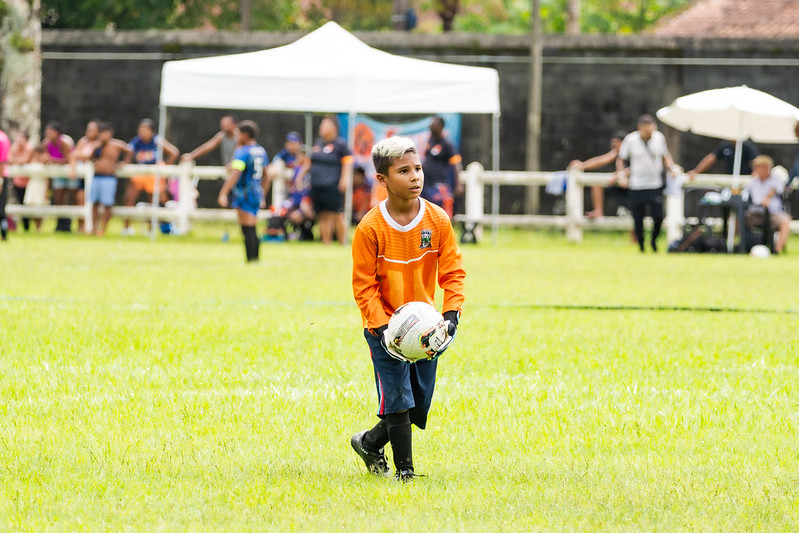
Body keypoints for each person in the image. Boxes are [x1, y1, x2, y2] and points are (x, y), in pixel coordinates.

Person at [350, 136, 465, 482]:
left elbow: (453, 272)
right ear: (382, 180)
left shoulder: (438, 220)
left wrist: (451, 313)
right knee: (398, 398)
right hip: (383, 329)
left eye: (417, 169)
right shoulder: (370, 228)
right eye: (404, 171)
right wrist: (383, 328)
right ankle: (405, 472)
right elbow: (363, 285)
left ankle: (368, 442)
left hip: (427, 328)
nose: (415, 176)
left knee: (417, 401)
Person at [617, 114, 678, 252]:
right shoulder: (631, 140)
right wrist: (621, 176)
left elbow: (665, 156)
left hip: (654, 185)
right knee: (638, 218)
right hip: (637, 185)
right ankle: (641, 245)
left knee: (659, 216)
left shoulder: (659, 138)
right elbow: (621, 159)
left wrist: (671, 168)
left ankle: (654, 240)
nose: (650, 133)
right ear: (640, 128)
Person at [217, 120, 267, 262]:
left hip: (244, 192)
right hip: (256, 191)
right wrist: (263, 192)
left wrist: (223, 193)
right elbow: (267, 174)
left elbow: (236, 172)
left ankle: (251, 259)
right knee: (252, 227)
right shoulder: (260, 151)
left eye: (239, 133)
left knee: (248, 229)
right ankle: (254, 259)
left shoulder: (242, 152)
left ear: (245, 134)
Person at [121, 118, 180, 235]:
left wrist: (164, 168)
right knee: (130, 198)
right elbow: (129, 153)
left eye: (145, 130)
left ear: (151, 131)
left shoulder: (157, 140)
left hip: (153, 174)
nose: (142, 132)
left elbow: (174, 152)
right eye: (140, 130)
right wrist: (126, 163)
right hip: (140, 173)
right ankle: (126, 228)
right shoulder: (136, 141)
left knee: (153, 202)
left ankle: (150, 229)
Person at [301, 115, 353, 245]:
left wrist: (344, 180)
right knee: (322, 215)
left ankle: (343, 242)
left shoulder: (340, 145)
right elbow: (309, 163)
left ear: (334, 128)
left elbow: (347, 164)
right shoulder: (318, 143)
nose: (321, 128)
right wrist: (301, 176)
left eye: (325, 125)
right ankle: (326, 243)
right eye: (321, 125)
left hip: (333, 185)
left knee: (336, 214)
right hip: (317, 185)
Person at [83, 122, 131, 236]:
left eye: (105, 133)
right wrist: (96, 149)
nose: (103, 136)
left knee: (107, 204)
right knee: (94, 203)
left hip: (108, 178)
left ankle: (103, 228)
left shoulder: (117, 145)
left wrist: (124, 162)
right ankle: (93, 228)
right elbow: (89, 158)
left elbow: (129, 151)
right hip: (96, 177)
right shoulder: (96, 145)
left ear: (110, 134)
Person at [266, 131, 314, 241]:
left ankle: (305, 235)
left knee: (299, 215)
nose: (300, 157)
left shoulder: (311, 170)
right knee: (279, 211)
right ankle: (278, 235)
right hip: (294, 199)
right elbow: (273, 166)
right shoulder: (290, 161)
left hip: (306, 201)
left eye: (303, 155)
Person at [569, 131, 627, 219]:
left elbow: (636, 168)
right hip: (620, 184)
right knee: (597, 184)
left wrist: (620, 174)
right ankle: (598, 211)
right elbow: (601, 160)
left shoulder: (634, 152)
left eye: (616, 144)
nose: (613, 147)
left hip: (635, 186)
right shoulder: (616, 153)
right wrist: (582, 165)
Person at [745, 155, 791, 254]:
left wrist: (768, 197)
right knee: (739, 219)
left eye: (758, 167)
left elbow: (775, 189)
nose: (756, 169)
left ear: (766, 168)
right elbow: (754, 199)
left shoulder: (776, 179)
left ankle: (776, 250)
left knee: (785, 221)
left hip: (773, 213)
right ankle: (738, 247)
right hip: (756, 213)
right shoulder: (753, 181)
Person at [421, 116, 462, 218]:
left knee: (440, 213)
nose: (430, 126)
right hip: (426, 184)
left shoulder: (447, 144)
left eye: (433, 124)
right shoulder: (430, 142)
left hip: (438, 184)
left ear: (441, 126)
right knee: (426, 212)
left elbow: (456, 165)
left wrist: (458, 184)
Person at [69, 119, 102, 233]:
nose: (90, 132)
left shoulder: (101, 142)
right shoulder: (83, 141)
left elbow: (88, 155)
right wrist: (73, 169)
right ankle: (80, 226)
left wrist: (83, 155)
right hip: (83, 176)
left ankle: (94, 227)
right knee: (80, 199)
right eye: (88, 129)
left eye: (93, 130)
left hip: (96, 176)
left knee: (95, 203)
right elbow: (74, 154)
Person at [42, 121, 75, 232]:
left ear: (57, 132)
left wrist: (51, 160)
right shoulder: (46, 143)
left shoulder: (65, 142)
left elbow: (68, 159)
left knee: (71, 198)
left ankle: (68, 224)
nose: (48, 133)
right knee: (58, 199)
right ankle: (60, 224)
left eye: (50, 131)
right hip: (57, 173)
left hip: (69, 171)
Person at [687, 139, 759, 180]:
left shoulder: (747, 145)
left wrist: (756, 172)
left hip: (745, 180)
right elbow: (711, 158)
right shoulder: (725, 145)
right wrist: (696, 171)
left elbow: (757, 160)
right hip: (730, 180)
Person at [9, 130, 34, 232]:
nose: (19, 140)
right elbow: (9, 158)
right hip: (18, 181)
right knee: (19, 202)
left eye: (21, 137)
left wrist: (16, 160)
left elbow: (26, 160)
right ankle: (22, 225)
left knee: (28, 204)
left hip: (28, 182)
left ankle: (27, 226)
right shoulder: (14, 147)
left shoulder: (29, 148)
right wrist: (19, 161)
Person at [0, 127, 9, 241]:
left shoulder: (1, 139)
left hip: (1, 176)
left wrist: (0, 180)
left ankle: (4, 233)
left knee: (1, 210)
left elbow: (2, 161)